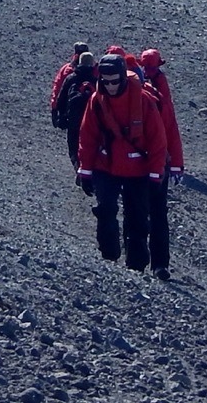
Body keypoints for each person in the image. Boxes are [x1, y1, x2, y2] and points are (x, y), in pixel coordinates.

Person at [76, 52, 169, 273]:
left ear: (123, 78)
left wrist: (156, 174)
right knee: (105, 208)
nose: (110, 86)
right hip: (106, 166)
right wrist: (85, 170)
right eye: (105, 82)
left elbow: (158, 140)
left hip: (137, 169)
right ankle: (108, 258)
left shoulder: (143, 101)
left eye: (114, 81)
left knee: (137, 217)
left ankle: (136, 266)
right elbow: (87, 137)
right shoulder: (96, 101)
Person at [137, 47, 184, 280]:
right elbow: (171, 126)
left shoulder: (133, 86)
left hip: (136, 161)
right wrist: (176, 163)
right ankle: (159, 264)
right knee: (158, 213)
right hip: (159, 162)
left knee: (137, 211)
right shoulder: (161, 88)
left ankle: (136, 260)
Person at [51, 50, 97, 166]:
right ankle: (86, 169)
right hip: (90, 121)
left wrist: (59, 116)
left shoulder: (71, 78)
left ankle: (77, 167)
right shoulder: (96, 80)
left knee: (73, 147)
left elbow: (61, 99)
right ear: (92, 64)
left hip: (73, 120)